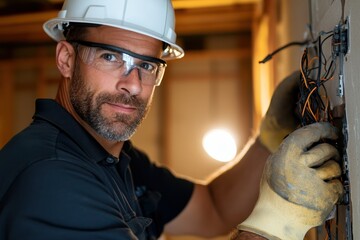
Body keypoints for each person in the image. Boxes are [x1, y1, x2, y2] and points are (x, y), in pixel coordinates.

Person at [0, 0, 343, 239]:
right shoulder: (51, 179)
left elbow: (213, 210)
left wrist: (268, 139)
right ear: (66, 59)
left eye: (146, 65)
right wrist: (276, 223)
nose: (132, 84)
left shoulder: (117, 162)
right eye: (109, 57)